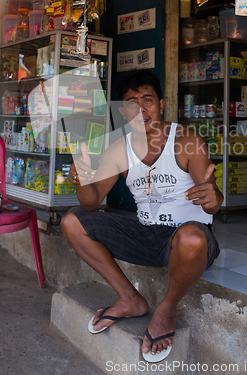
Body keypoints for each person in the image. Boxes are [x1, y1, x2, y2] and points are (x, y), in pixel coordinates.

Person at [62, 69, 223, 363]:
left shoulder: (187, 140)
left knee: (191, 236)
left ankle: (166, 310)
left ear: (161, 104)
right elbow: (90, 203)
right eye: (132, 103)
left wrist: (216, 197)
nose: (142, 109)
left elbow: (210, 202)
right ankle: (130, 299)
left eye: (147, 100)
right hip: (145, 235)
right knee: (72, 221)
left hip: (187, 241)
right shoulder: (118, 149)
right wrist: (81, 180)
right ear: (124, 111)